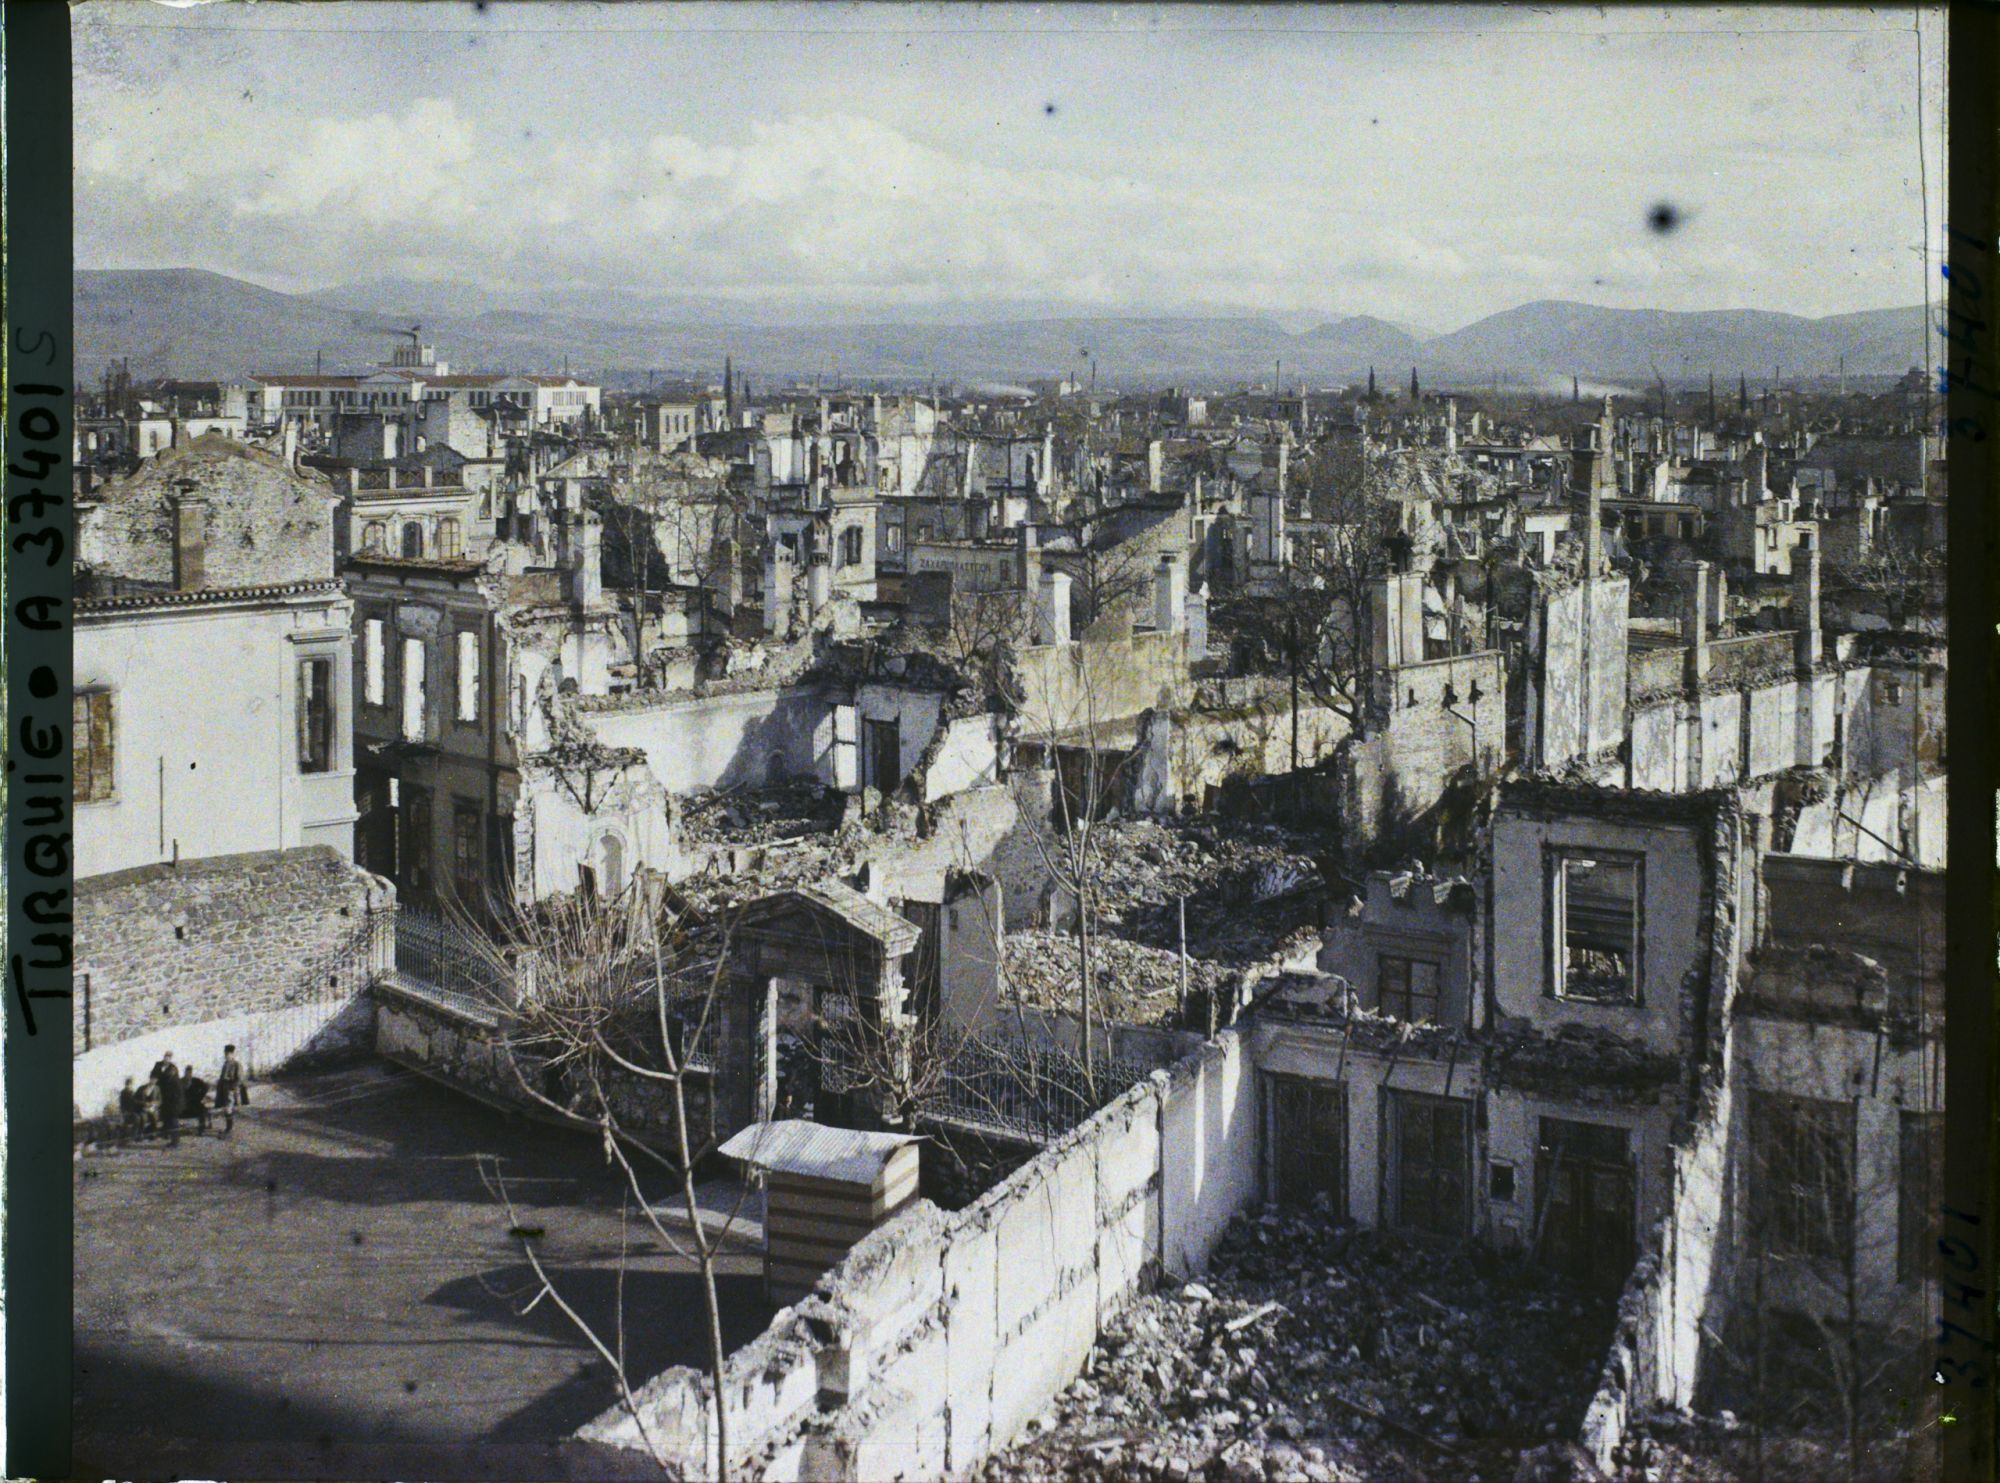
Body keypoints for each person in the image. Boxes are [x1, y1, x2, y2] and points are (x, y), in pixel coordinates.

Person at [215, 1045, 247, 1134]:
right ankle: (229, 1127)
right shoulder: (225, 1064)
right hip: (224, 1090)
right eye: (225, 1054)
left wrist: (233, 1087)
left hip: (231, 1090)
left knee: (228, 1108)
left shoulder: (237, 1064)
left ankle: (229, 1128)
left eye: (228, 1054)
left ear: (232, 1054)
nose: (226, 1055)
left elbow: (240, 1078)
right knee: (226, 1108)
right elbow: (222, 1077)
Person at [152, 1052, 183, 1144]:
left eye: (168, 1058)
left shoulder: (173, 1071)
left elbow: (177, 1091)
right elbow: (153, 1076)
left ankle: (174, 1139)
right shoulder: (158, 1065)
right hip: (162, 1094)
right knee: (165, 1115)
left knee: (172, 1118)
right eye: (165, 1057)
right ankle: (166, 1133)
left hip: (171, 1099)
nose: (166, 1059)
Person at [181, 1068, 211, 1135]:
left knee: (202, 1111)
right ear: (184, 1073)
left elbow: (205, 1086)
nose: (188, 1075)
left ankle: (201, 1130)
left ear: (191, 1073)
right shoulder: (180, 1081)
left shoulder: (196, 1081)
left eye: (189, 1073)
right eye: (186, 1073)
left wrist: (200, 1096)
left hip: (195, 1103)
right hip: (184, 1104)